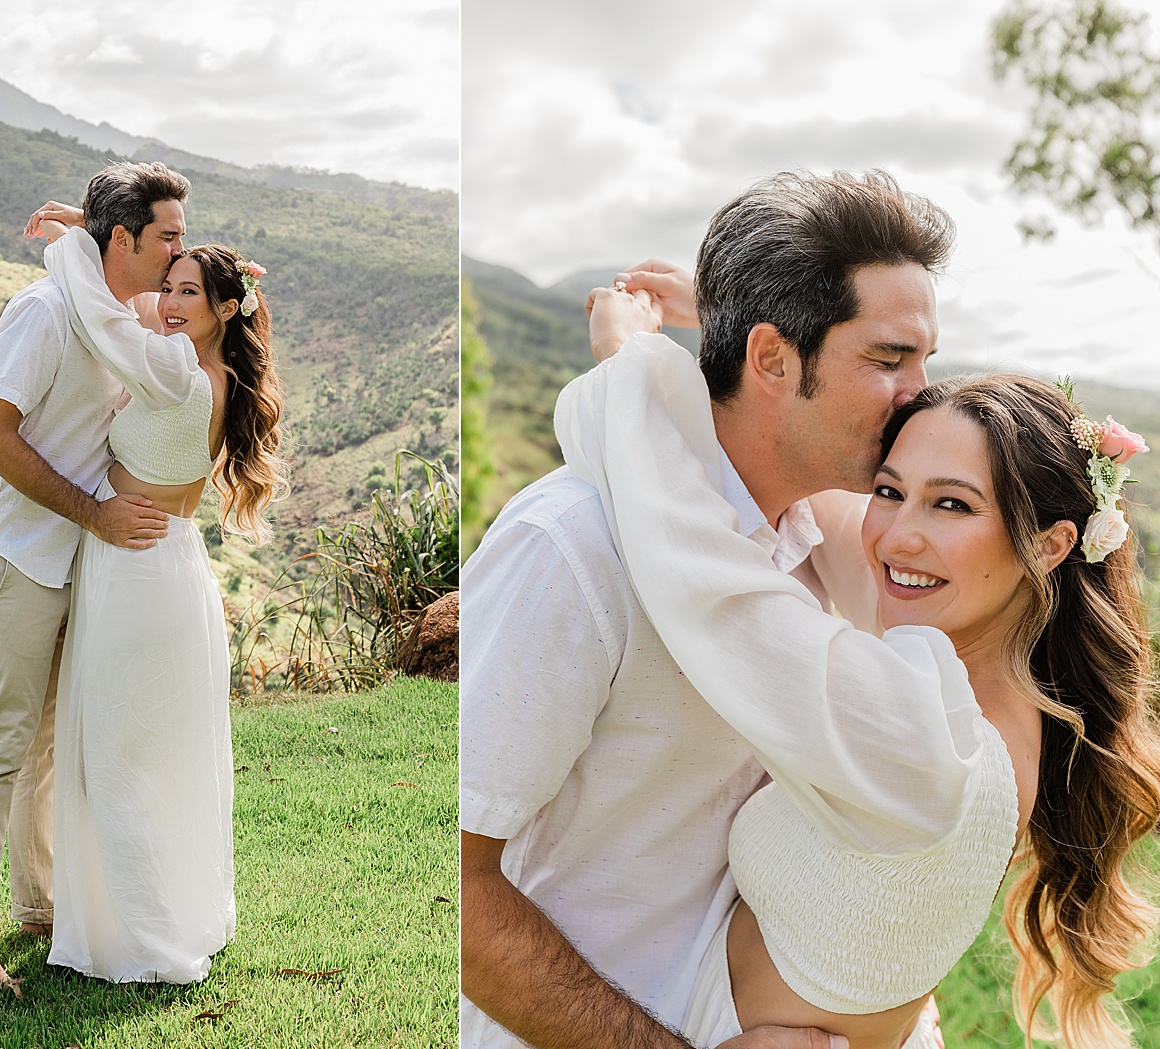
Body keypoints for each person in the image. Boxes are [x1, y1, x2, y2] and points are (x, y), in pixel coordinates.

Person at [460, 169, 968, 1049]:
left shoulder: (833, 542)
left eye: (925, 358)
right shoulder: (574, 547)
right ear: (771, 359)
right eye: (889, 360)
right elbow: (453, 887)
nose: (921, 393)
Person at [561, 337, 1160, 1047]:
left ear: (1053, 545)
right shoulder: (993, 674)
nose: (899, 536)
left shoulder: (931, 732)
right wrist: (754, 339)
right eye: (889, 489)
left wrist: (635, 359)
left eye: (952, 505)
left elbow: (688, 559)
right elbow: (829, 507)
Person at [28, 207, 285, 982]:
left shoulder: (179, 372)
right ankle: (144, 914)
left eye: (190, 295)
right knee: (143, 754)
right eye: (167, 286)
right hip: (153, 564)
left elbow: (109, 318)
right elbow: (135, 301)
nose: (169, 304)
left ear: (226, 310)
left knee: (117, 757)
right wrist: (106, 226)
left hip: (141, 571)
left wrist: (78, 245)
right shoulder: (197, 361)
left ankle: (145, 941)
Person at [0, 161, 188, 988]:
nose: (174, 253)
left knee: (46, 745)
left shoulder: (111, 310)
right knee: (2, 743)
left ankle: (37, 907)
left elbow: (200, 298)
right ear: (121, 239)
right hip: (15, 555)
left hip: (67, 560)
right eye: (166, 238)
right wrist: (95, 515)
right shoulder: (44, 310)